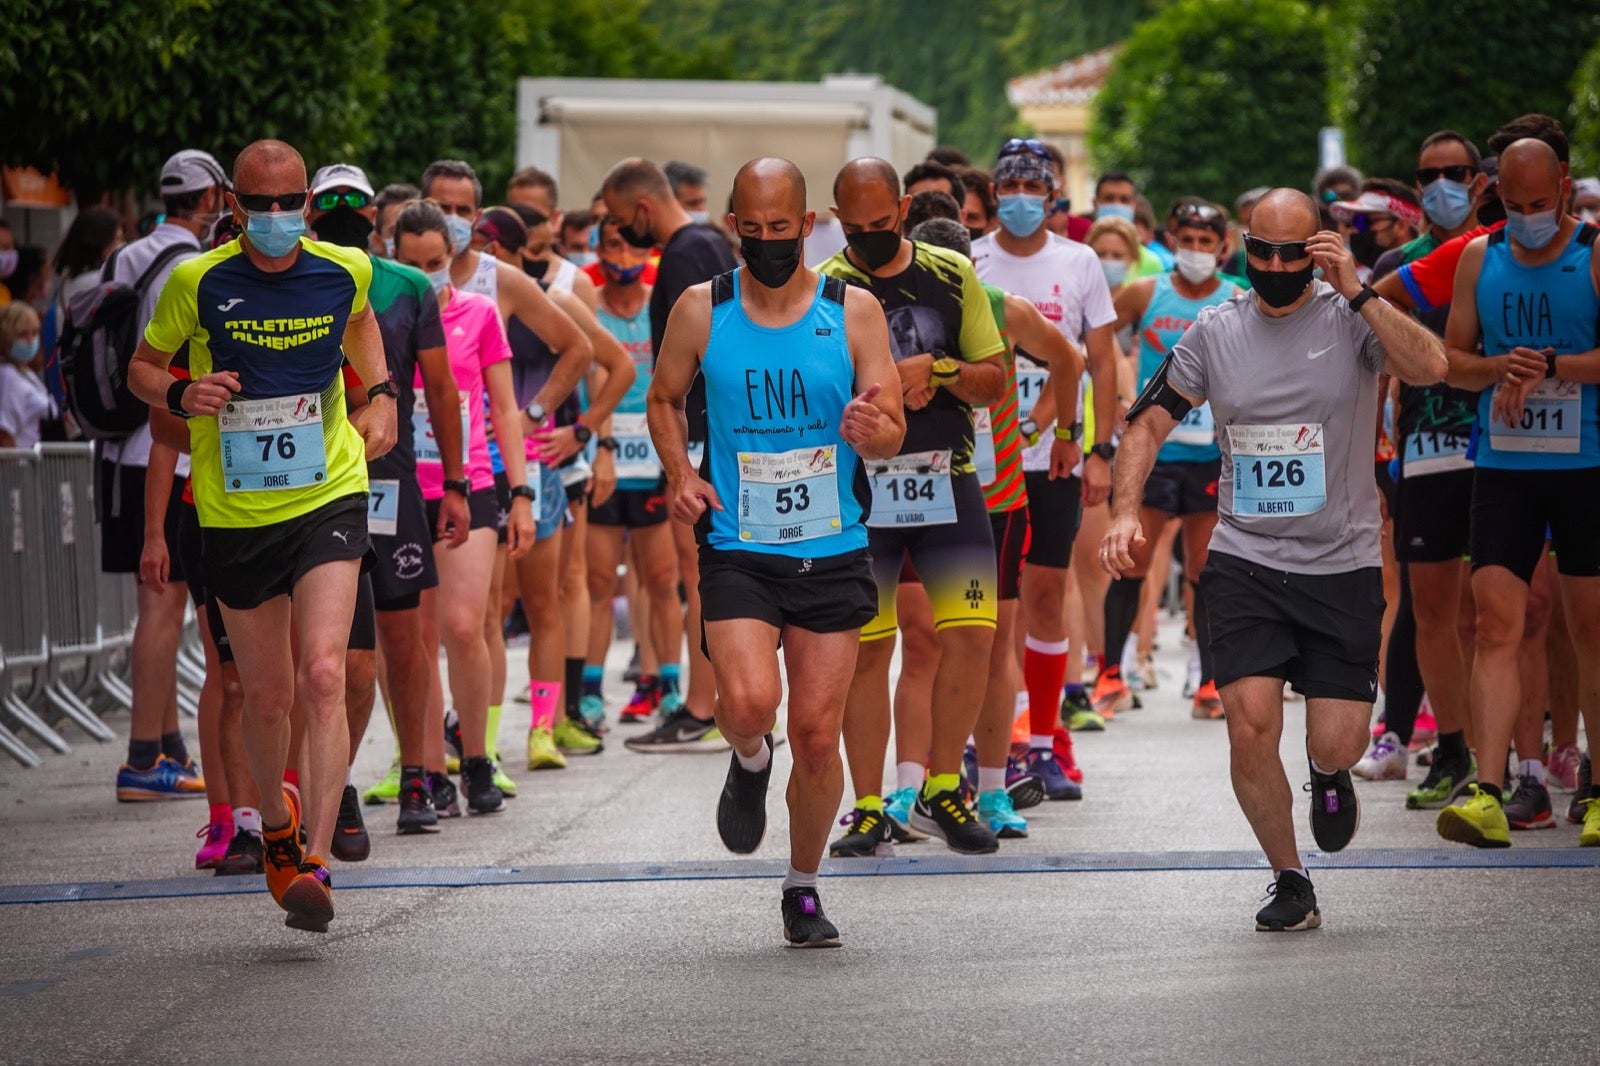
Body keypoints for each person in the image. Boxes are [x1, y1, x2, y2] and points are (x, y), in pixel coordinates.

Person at [1101, 187, 1447, 931]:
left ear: (1318, 249)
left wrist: (1356, 289)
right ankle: (1289, 878)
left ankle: (1329, 775)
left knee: (1339, 738)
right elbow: (1146, 422)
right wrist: (1125, 510)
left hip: (1342, 561)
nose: (1279, 265)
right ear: (1242, 250)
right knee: (1248, 718)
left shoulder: (1348, 318)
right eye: (1264, 251)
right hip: (1245, 559)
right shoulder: (1214, 330)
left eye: (1295, 253)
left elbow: (1429, 364)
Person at [128, 138, 399, 933]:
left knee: (323, 674)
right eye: (260, 206)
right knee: (267, 695)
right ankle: (271, 827)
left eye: (290, 205)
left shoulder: (341, 271)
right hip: (237, 508)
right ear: (232, 207)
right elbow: (142, 371)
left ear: (308, 206)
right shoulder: (196, 280)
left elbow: (364, 334)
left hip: (330, 494)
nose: (276, 219)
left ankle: (312, 860)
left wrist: (379, 396)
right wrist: (185, 388)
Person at [647, 156, 903, 945]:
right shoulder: (701, 308)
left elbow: (891, 425)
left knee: (820, 736)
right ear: (734, 228)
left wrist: (876, 431)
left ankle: (801, 885)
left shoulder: (852, 310)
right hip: (737, 544)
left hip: (832, 546)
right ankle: (752, 757)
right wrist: (683, 472)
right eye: (751, 231)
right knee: (752, 703)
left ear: (808, 226)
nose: (766, 243)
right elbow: (662, 397)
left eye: (780, 230)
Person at [818, 157, 1007, 855]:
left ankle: (940, 789)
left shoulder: (951, 273)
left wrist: (939, 370)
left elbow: (996, 376)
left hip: (945, 476)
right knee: (866, 651)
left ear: (903, 209)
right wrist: (875, 393)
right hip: (862, 490)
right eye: (855, 227)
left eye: (881, 223)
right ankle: (868, 805)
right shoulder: (825, 289)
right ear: (839, 220)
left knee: (972, 635)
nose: (870, 237)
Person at [1435, 138, 1600, 849]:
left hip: (1586, 465)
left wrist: (1552, 363)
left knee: (1590, 630)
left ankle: (1595, 792)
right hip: (1505, 465)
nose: (1530, 216)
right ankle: (1489, 790)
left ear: (1563, 186)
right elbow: (1452, 362)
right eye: (1515, 204)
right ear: (1494, 193)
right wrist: (1502, 365)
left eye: (1542, 203)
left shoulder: (1593, 252)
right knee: (1496, 623)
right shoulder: (1480, 257)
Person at [972, 140, 1120, 757]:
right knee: (990, 607)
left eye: (1035, 189)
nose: (1024, 200)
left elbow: (1101, 361)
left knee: (1046, 598)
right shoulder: (970, 259)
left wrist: (1099, 448)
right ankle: (990, 734)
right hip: (986, 460)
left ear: (1054, 195)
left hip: (1054, 457)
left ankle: (1045, 735)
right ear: (995, 193)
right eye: (1012, 188)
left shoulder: (1080, 261)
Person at [1353, 132, 1489, 803]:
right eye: (1429, 174)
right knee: (1431, 608)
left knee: (1509, 612)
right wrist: (1367, 457)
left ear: (1480, 182)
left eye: (1456, 172)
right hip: (1424, 451)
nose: (1442, 185)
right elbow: (1372, 363)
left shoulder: (1502, 252)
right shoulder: (1400, 264)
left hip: (1502, 449)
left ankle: (1524, 759)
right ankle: (1455, 751)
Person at [602, 157, 738, 752]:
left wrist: (683, 455)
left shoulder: (686, 253)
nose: (620, 231)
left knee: (699, 575)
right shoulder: (712, 242)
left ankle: (704, 707)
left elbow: (695, 359)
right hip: (719, 429)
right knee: (709, 574)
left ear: (642, 209)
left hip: (705, 431)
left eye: (616, 218)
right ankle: (723, 703)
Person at [109, 149, 231, 806]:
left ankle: (168, 745)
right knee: (163, 608)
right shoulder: (191, 270)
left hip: (123, 452)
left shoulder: (128, 254)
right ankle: (142, 755)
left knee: (159, 606)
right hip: (168, 453)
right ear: (211, 198)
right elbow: (166, 393)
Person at [1100, 200, 1238, 722]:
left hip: (1210, 454)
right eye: (1188, 241)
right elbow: (1099, 337)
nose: (1197, 251)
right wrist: (1119, 387)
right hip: (1154, 449)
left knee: (1204, 567)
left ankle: (1209, 682)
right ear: (1172, 240)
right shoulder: (1145, 292)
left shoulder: (1236, 299)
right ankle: (1111, 674)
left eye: (1207, 242)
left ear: (1223, 247)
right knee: (1133, 558)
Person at [583, 213, 681, 726]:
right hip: (601, 460)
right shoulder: (589, 309)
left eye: (631, 248)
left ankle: (668, 683)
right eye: (612, 248)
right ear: (597, 249)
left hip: (652, 462)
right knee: (600, 582)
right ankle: (591, 692)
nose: (623, 258)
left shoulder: (659, 310)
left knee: (662, 580)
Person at [505, 166, 600, 307]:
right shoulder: (491, 274)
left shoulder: (575, 282)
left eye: (532, 216)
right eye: (516, 215)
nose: (523, 224)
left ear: (554, 219)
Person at [0, 302, 55, 447]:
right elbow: (4, 434)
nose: (31, 340)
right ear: (7, 337)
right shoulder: (7, 377)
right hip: (20, 466)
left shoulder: (23, 371)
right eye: (23, 334)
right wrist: (14, 469)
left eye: (35, 332)